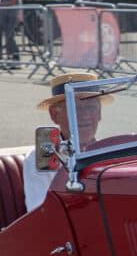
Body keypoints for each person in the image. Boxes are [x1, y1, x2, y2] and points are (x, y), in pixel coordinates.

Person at [23, 72, 112, 212]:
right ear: (54, 115)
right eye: (75, 108)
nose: (85, 116)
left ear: (99, 113)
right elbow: (40, 213)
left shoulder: (109, 151)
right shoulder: (46, 155)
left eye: (91, 107)